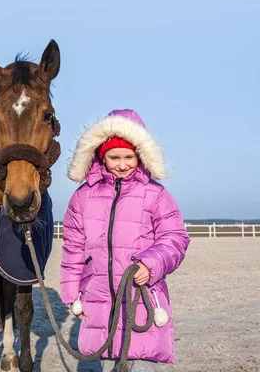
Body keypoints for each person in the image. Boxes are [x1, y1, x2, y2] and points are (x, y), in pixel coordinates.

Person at [61, 109, 190, 371]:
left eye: (129, 157)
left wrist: (150, 264)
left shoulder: (155, 194)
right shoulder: (82, 197)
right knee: (110, 362)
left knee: (143, 362)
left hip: (141, 297)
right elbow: (73, 248)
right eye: (114, 157)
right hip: (99, 301)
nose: (122, 164)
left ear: (140, 155)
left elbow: (175, 238)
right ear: (101, 156)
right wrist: (72, 293)